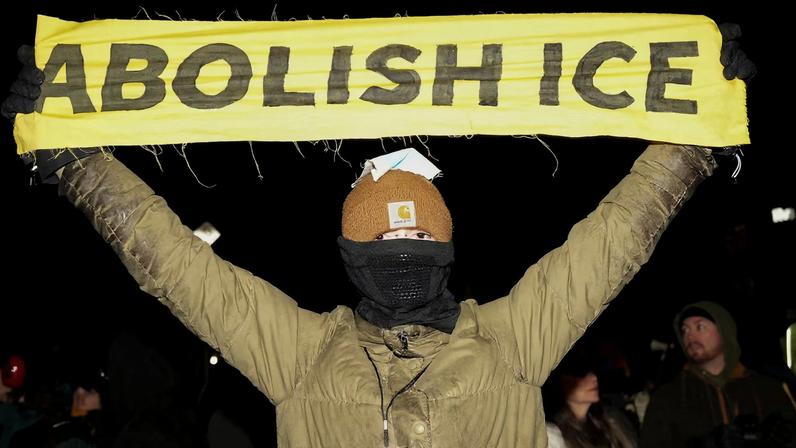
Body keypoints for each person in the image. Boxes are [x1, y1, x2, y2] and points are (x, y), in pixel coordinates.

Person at [2, 23, 754, 448]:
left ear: (449, 256)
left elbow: (616, 240)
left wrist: (696, 135)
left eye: (419, 252)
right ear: (349, 262)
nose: (404, 268)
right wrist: (72, 159)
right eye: (384, 255)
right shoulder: (300, 352)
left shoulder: (514, 339)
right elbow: (172, 262)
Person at [640, 301, 796, 448]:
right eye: (685, 330)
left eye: (700, 327)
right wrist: (703, 444)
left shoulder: (765, 388)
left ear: (724, 331)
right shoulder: (668, 397)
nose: (690, 336)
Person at [544, 350, 637, 448]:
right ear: (561, 383)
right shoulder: (552, 436)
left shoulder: (611, 421)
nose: (593, 378)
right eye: (581, 374)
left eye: (593, 371)